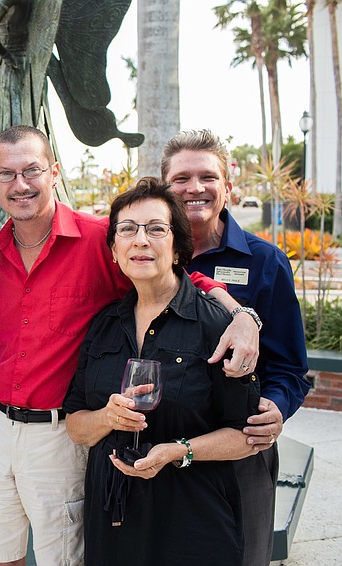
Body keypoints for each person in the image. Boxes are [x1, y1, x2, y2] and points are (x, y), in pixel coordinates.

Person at [0, 125, 259, 566]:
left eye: (32, 170)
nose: (19, 184)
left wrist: (241, 314)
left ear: (55, 172)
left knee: (62, 558)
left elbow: (167, 275)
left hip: (60, 430)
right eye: (6, 174)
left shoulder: (97, 238)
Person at [63, 177, 261, 564]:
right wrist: (107, 416)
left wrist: (179, 451)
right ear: (114, 251)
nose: (140, 240)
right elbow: (75, 426)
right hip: (114, 519)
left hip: (193, 520)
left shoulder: (216, 325)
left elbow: (245, 435)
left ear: (177, 248)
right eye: (127, 230)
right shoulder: (103, 324)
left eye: (156, 229)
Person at [161, 129, 312, 566]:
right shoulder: (141, 251)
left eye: (207, 177)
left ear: (228, 187)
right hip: (160, 442)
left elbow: (289, 367)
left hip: (239, 448)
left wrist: (277, 407)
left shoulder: (265, 262)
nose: (194, 188)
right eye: (181, 179)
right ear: (165, 187)